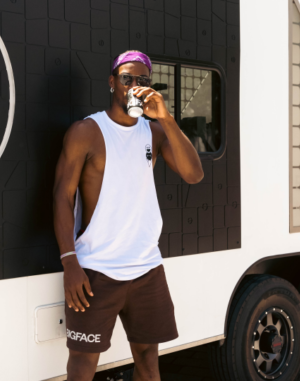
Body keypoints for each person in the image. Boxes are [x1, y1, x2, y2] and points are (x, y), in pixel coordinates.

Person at [52, 50, 204, 381]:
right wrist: (69, 263)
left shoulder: (154, 132)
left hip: (146, 267)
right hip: (95, 271)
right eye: (127, 79)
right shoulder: (86, 131)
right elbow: (62, 197)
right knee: (82, 366)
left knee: (149, 361)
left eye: (142, 80)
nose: (134, 86)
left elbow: (194, 175)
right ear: (112, 83)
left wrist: (166, 118)